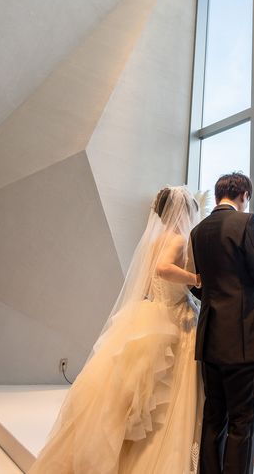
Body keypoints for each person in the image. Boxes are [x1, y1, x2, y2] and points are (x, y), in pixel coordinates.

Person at [30, 186, 203, 474]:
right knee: (167, 396)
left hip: (153, 311)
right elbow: (163, 269)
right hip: (174, 318)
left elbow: (148, 281)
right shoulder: (177, 239)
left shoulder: (155, 240)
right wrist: (195, 279)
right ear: (183, 212)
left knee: (137, 396)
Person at [188, 172, 254, 474]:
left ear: (217, 195)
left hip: (209, 337)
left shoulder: (198, 231)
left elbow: (196, 283)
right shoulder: (247, 222)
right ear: (244, 195)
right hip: (242, 337)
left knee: (214, 418)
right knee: (242, 422)